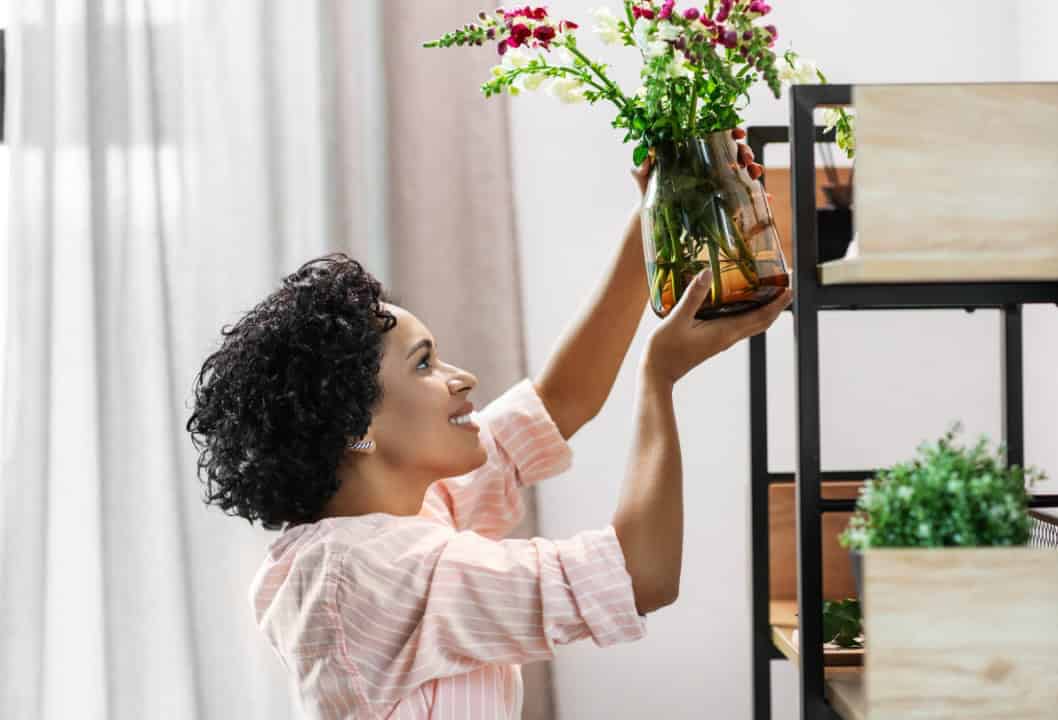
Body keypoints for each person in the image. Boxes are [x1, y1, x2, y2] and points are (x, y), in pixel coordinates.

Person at [185, 134, 786, 719]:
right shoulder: (363, 570)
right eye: (424, 363)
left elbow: (559, 403)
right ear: (353, 428)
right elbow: (641, 576)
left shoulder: (397, 516)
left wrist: (653, 216)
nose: (463, 377)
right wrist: (659, 377)